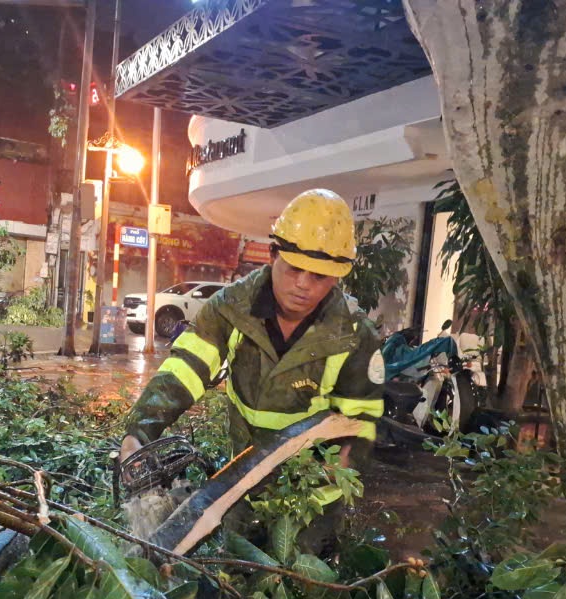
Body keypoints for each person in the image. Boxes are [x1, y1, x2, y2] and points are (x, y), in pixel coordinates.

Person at [119, 188, 386, 551]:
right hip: (240, 488)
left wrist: (337, 468)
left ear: (337, 276)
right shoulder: (229, 309)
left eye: (320, 277)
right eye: (294, 269)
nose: (303, 286)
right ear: (273, 254)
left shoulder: (355, 335)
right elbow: (186, 368)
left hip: (313, 502)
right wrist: (140, 431)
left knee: (301, 593)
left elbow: (362, 420)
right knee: (236, 581)